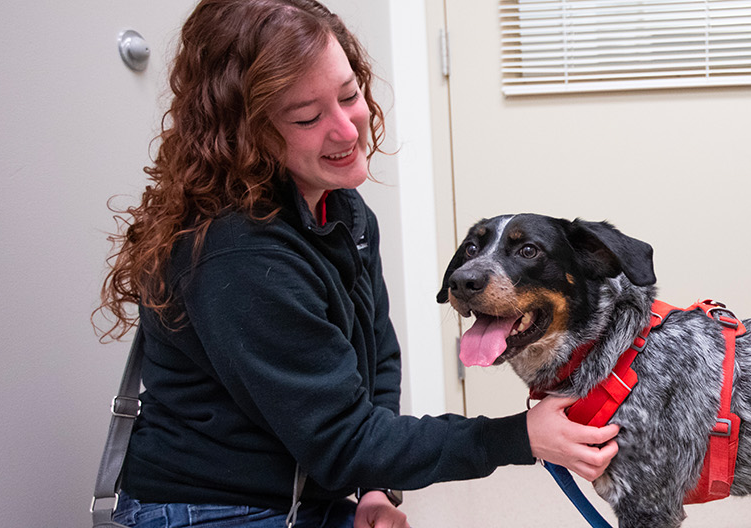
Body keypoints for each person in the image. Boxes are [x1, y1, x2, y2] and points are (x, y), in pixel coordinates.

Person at [94, 1, 618, 526]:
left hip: (306, 492)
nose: (347, 131)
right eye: (307, 117)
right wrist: (518, 437)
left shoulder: (342, 210)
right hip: (210, 509)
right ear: (245, 132)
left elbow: (375, 360)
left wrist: (374, 486)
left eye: (350, 95)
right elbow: (342, 438)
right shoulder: (240, 256)